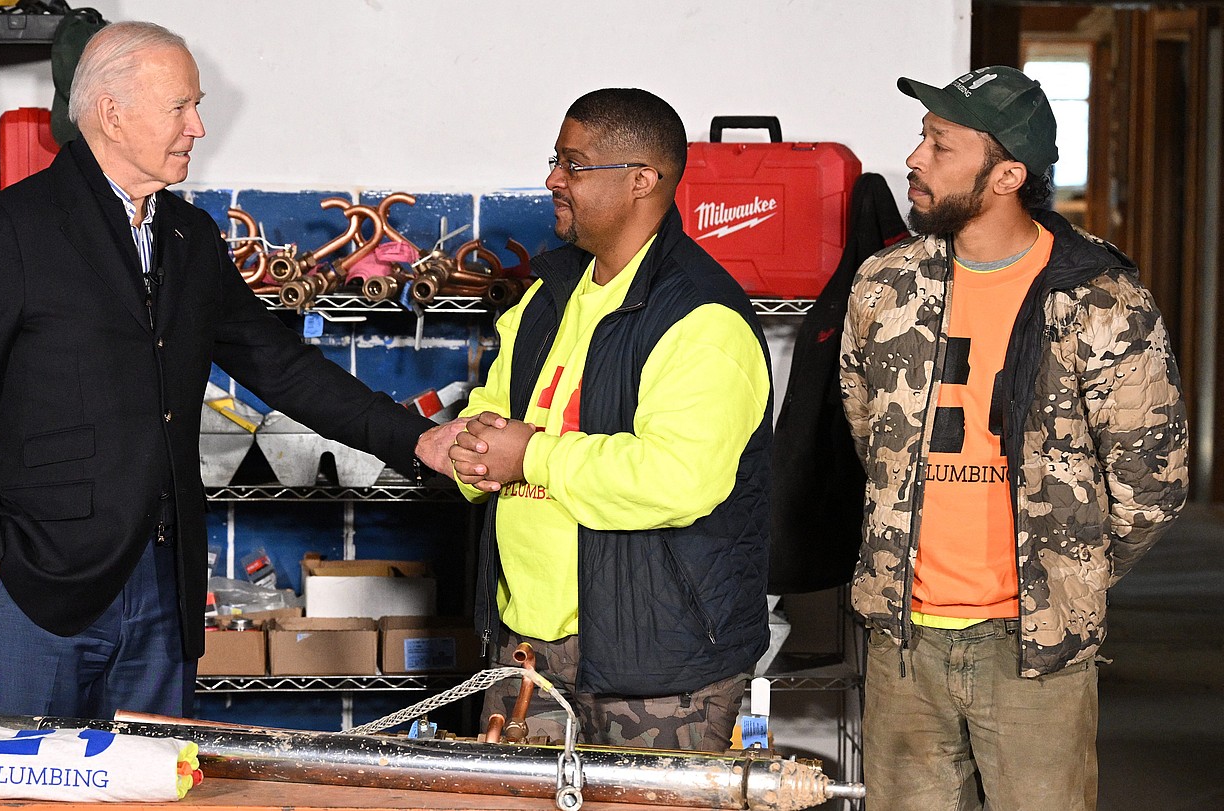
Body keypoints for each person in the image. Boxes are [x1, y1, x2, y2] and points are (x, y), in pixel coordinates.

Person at [0, 21, 459, 719]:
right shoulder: (11, 231)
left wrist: (412, 438)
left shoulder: (188, 237)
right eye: (181, 107)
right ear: (111, 112)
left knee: (150, 786)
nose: (198, 126)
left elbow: (281, 365)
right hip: (41, 584)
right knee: (26, 792)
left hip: (165, 590)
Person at [841, 66, 1189, 810]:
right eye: (922, 138)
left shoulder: (1100, 297)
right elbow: (870, 434)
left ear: (1007, 174)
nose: (914, 158)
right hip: (904, 642)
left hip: (1033, 653)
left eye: (940, 143)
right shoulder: (884, 285)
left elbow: (1151, 483)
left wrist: (1067, 572)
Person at [448, 88, 774, 751]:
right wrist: (470, 452)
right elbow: (494, 406)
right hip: (529, 650)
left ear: (642, 180)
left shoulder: (700, 318)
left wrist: (528, 456)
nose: (552, 179)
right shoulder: (550, 291)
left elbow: (678, 477)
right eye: (557, 160)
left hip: (660, 665)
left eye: (573, 164)